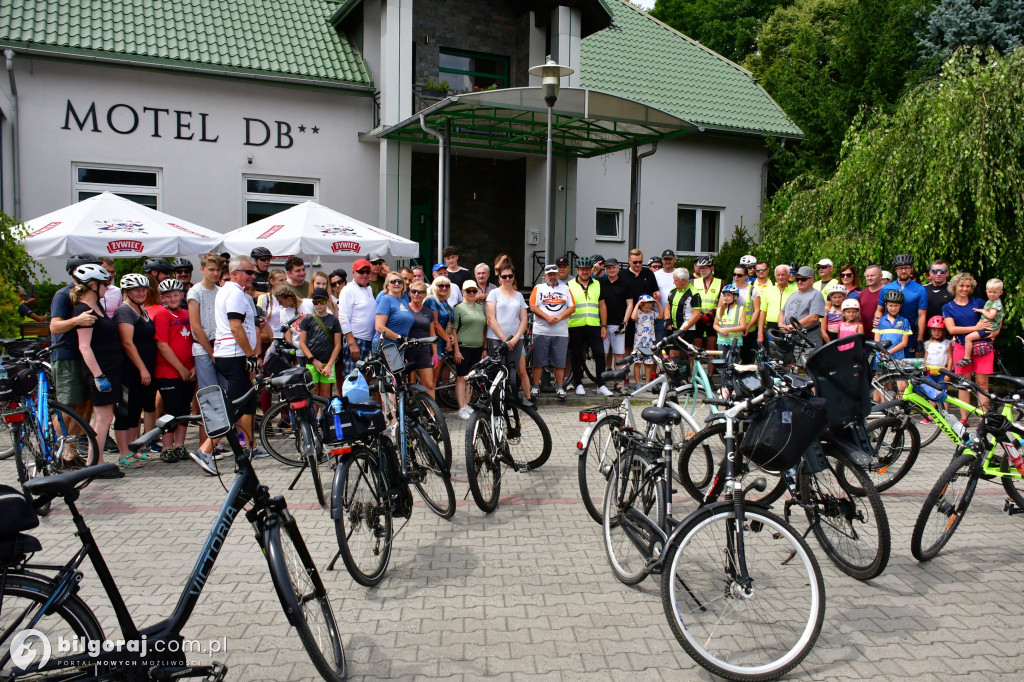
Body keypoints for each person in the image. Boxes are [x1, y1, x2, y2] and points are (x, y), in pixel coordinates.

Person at [191, 256, 260, 475]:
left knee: (247, 403)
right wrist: (250, 354)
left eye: (253, 273)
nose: (253, 277)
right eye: (249, 272)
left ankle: (248, 448)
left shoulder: (226, 291)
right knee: (235, 407)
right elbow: (235, 326)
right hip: (234, 354)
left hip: (229, 354)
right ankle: (205, 450)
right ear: (236, 273)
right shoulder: (235, 293)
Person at [50, 254, 102, 466]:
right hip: (66, 355)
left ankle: (68, 450)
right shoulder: (63, 295)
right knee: (68, 405)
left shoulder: (91, 294)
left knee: (82, 405)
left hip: (83, 356)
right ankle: (56, 450)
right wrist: (77, 320)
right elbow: (54, 326)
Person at [71, 263, 122, 467]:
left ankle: (95, 460)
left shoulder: (97, 306)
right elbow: (84, 347)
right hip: (100, 370)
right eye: (104, 284)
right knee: (103, 417)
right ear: (93, 285)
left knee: (105, 417)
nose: (107, 287)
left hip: (110, 367)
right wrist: (99, 376)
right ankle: (95, 462)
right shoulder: (84, 310)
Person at [112, 273, 157, 468]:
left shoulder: (141, 310)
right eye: (137, 290)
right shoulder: (125, 311)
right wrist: (142, 369)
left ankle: (133, 450)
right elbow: (127, 343)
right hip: (130, 370)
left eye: (144, 289)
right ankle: (124, 453)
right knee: (125, 412)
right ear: (126, 292)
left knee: (136, 411)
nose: (141, 293)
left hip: (143, 369)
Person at [151, 278, 196, 461]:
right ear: (162, 297)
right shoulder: (162, 314)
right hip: (168, 372)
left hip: (189, 370)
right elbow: (162, 345)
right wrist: (181, 369)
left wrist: (193, 367)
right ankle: (166, 446)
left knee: (184, 409)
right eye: (168, 296)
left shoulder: (187, 314)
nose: (172, 298)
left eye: (175, 295)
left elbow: (195, 340)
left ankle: (180, 445)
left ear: (182, 295)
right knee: (171, 409)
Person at [943, 272, 993, 424]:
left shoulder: (978, 302)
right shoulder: (948, 307)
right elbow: (952, 329)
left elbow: (991, 322)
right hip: (961, 347)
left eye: (968, 286)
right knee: (964, 384)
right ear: (954, 287)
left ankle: (983, 418)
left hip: (982, 347)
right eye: (961, 286)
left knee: (982, 383)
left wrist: (986, 330)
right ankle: (964, 418)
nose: (964, 289)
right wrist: (975, 327)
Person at [485, 263, 531, 404]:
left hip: (515, 340)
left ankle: (519, 400)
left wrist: (516, 338)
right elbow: (491, 319)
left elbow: (524, 319)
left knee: (513, 371)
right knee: (498, 371)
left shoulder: (519, 296)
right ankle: (497, 401)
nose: (507, 279)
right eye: (504, 276)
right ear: (499, 278)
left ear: (513, 277)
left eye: (510, 276)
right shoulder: (494, 293)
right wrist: (505, 339)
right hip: (497, 339)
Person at [567, 257, 612, 397]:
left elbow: (602, 305)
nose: (585, 272)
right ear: (577, 270)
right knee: (576, 355)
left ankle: (601, 384)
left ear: (590, 270)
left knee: (599, 354)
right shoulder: (569, 285)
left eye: (587, 269)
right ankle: (579, 383)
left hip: (593, 325)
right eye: (582, 269)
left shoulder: (597, 284)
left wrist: (604, 325)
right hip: (575, 325)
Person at [529, 264, 575, 400]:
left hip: (560, 331)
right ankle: (536, 387)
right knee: (538, 361)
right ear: (545, 276)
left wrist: (559, 317)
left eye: (554, 274)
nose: (553, 277)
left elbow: (572, 307)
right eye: (550, 275)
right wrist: (547, 317)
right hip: (541, 330)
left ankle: (559, 387)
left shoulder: (566, 289)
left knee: (559, 362)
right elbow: (533, 306)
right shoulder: (538, 288)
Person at [876, 254, 928, 356]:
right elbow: (879, 309)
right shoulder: (886, 288)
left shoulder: (920, 289)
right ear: (895, 269)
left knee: (907, 366)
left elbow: (922, 315)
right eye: (900, 268)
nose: (903, 271)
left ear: (911, 269)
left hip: (910, 333)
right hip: (888, 332)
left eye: (906, 268)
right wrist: (877, 322)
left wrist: (920, 339)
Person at [187, 253, 224, 396]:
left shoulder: (221, 291)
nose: (215, 273)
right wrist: (211, 353)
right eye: (211, 269)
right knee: (210, 392)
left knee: (225, 389)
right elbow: (196, 327)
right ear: (202, 269)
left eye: (218, 269)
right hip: (203, 347)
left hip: (221, 345)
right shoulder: (195, 291)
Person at [298, 287, 342, 399]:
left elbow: (338, 345)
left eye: (322, 301)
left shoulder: (334, 320)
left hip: (328, 362)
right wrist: (313, 360)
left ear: (327, 302)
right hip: (311, 362)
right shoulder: (307, 320)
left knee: (325, 394)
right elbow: (302, 343)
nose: (319, 305)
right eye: (315, 302)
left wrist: (330, 364)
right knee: (313, 393)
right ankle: (314, 417)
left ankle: (324, 416)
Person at [452, 279, 486, 420]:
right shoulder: (458, 308)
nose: (471, 293)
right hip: (463, 347)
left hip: (477, 347)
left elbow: (484, 328)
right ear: (463, 292)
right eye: (468, 291)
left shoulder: (480, 307)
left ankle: (466, 404)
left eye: (474, 290)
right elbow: (453, 331)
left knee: (471, 378)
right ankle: (461, 407)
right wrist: (456, 350)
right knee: (461, 377)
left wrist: (485, 348)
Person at [338, 259, 377, 374]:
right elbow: (343, 318)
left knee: (366, 379)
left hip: (369, 340)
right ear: (353, 272)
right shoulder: (348, 290)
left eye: (367, 271)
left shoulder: (368, 288)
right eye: (361, 272)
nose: (365, 275)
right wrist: (352, 343)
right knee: (353, 380)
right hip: (357, 340)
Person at [598, 257, 630, 390]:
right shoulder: (601, 282)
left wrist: (625, 322)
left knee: (618, 354)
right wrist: (596, 268)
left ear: (618, 268)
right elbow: (588, 278)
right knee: (603, 354)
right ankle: (602, 382)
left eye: (614, 267)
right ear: (605, 269)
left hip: (618, 324)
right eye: (608, 268)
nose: (611, 270)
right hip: (603, 325)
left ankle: (618, 382)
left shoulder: (625, 283)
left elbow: (630, 304)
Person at [403, 280, 438, 396]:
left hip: (424, 351)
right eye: (413, 291)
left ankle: (432, 413)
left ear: (425, 294)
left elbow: (432, 334)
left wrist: (435, 355)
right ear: (410, 293)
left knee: (429, 384)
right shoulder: (403, 309)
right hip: (408, 351)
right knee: (409, 386)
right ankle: (409, 412)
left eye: (420, 292)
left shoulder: (428, 311)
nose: (416, 294)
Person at [958, 278, 1003, 366]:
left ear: (1000, 293)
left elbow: (991, 316)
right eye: (990, 292)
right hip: (986, 326)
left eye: (994, 292)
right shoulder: (991, 301)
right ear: (986, 291)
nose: (992, 294)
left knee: (968, 338)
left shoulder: (996, 304)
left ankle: (966, 358)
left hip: (988, 328)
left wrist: (981, 311)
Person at [781, 266, 826, 353]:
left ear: (812, 280)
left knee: (808, 364)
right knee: (791, 365)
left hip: (809, 338)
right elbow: (782, 311)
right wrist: (781, 326)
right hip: (792, 337)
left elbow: (814, 317)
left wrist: (792, 326)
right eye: (798, 279)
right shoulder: (793, 294)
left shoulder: (816, 295)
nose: (800, 282)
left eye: (803, 279)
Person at [425, 275, 456, 389]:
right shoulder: (432, 300)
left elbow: (449, 324)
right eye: (440, 285)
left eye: (447, 286)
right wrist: (447, 339)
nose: (444, 288)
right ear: (434, 286)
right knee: (431, 378)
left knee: (435, 377)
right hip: (434, 344)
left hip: (442, 343)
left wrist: (450, 337)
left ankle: (431, 403)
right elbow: (435, 323)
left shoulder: (446, 303)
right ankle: (429, 404)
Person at [688, 255, 721, 354]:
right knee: (695, 350)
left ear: (712, 268)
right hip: (698, 319)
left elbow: (722, 302)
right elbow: (690, 300)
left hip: (712, 319)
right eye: (700, 268)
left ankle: (711, 370)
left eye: (705, 268)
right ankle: (694, 370)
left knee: (711, 351)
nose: (702, 270)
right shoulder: (694, 282)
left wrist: (712, 314)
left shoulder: (720, 282)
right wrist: (700, 314)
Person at [374, 272, 414, 346]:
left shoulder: (404, 302)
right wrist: (399, 338)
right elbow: (379, 327)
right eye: (393, 281)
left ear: (403, 285)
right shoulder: (385, 299)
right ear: (387, 285)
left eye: (400, 281)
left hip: (400, 346)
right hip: (386, 345)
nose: (397, 283)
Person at [663, 268, 701, 344]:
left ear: (683, 280)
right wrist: (667, 320)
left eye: (676, 280)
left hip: (687, 329)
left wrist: (683, 329)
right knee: (672, 353)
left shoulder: (694, 293)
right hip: (673, 327)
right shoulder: (673, 290)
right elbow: (668, 306)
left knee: (687, 353)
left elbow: (697, 314)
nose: (674, 282)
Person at [731, 265, 760, 362]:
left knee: (746, 357)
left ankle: (747, 377)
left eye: (739, 275)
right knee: (732, 358)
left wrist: (749, 326)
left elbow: (757, 310)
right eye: (734, 274)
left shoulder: (752, 290)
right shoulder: (728, 288)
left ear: (746, 277)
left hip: (748, 329)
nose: (736, 277)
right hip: (732, 329)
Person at [876, 289, 912, 365]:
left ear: (900, 306)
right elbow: (877, 342)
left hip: (898, 359)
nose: (893, 308)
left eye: (896, 306)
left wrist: (889, 352)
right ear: (886, 305)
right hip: (882, 358)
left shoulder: (905, 322)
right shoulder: (880, 321)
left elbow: (904, 343)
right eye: (891, 305)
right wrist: (883, 352)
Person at [631, 294, 660, 387]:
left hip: (649, 342)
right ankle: (638, 384)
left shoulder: (652, 313)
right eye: (645, 307)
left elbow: (661, 316)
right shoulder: (638, 312)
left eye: (650, 306)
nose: (648, 309)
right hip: (639, 342)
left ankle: (647, 383)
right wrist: (637, 304)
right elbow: (633, 317)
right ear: (641, 305)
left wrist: (658, 305)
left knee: (648, 363)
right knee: (638, 362)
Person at [713, 284, 746, 357]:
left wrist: (728, 330)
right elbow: (715, 324)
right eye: (724, 295)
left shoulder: (740, 309)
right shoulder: (719, 309)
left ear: (735, 297)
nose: (726, 297)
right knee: (723, 363)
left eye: (728, 295)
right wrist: (720, 330)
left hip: (735, 341)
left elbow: (743, 327)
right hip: (722, 341)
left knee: (733, 364)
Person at [653, 250, 677, 341]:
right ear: (662, 260)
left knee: (674, 347)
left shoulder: (678, 273)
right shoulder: (655, 275)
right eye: (665, 259)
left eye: (670, 259)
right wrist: (654, 295)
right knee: (659, 345)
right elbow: (651, 291)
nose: (667, 261)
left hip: (675, 316)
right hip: (660, 315)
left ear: (674, 259)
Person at [858, 265, 884, 330]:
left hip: (881, 333)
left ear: (880, 276)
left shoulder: (886, 291)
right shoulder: (862, 293)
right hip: (864, 333)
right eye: (867, 276)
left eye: (872, 275)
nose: (869, 278)